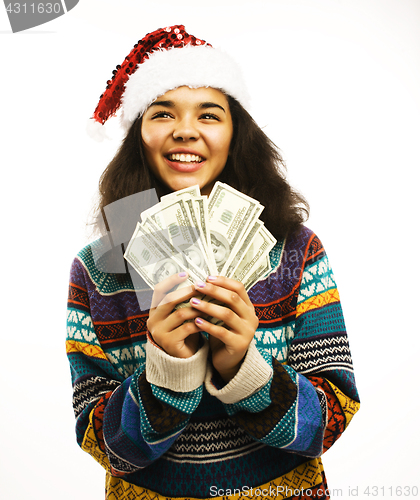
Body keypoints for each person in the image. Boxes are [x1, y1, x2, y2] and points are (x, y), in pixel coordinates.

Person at [67, 25, 360, 500]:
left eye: (209, 114)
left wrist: (243, 366)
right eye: (162, 113)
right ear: (138, 134)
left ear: (235, 133)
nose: (185, 129)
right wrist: (168, 371)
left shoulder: (295, 252)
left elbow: (328, 424)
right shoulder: (99, 269)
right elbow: (103, 446)